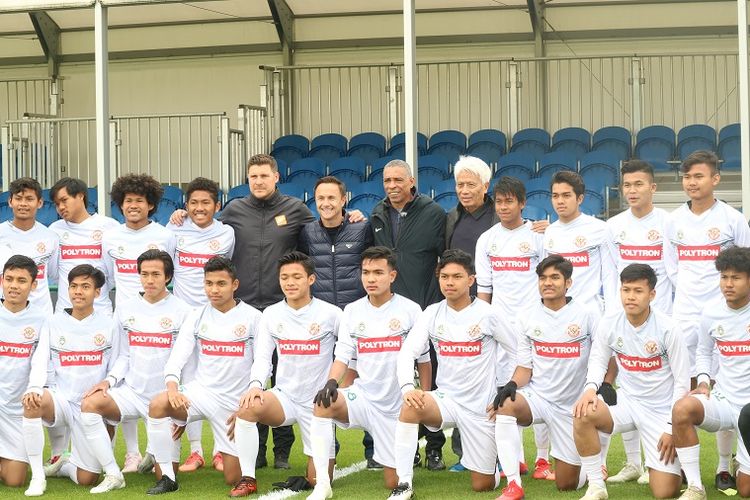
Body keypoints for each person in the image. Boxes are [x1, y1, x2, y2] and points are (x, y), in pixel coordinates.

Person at [388, 249, 517, 500]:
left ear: (471, 280)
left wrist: (506, 386)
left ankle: (494, 469)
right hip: (445, 399)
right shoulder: (432, 313)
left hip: (482, 407)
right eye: (444, 276)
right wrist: (407, 388)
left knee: (483, 485)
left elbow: (515, 352)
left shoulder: (489, 314)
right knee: (410, 407)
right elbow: (406, 353)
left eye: (457, 276)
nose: (449, 282)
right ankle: (404, 484)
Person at [306, 246, 430, 500]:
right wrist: (332, 382)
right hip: (363, 397)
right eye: (366, 272)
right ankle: (322, 485)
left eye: (378, 272)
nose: (371, 279)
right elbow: (343, 356)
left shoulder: (411, 310)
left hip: (397, 406)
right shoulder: (351, 310)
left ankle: (404, 458)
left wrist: (425, 396)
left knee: (392, 482)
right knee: (322, 404)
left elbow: (425, 360)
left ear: (392, 276)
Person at [664, 150, 750, 491]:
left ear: (715, 179)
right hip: (685, 314)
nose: (692, 182)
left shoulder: (732, 219)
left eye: (699, 176)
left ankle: (724, 464)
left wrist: (724, 301)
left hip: (726, 312)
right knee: (688, 385)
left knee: (729, 379)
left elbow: (742, 263)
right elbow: (671, 268)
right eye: (687, 177)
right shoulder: (672, 221)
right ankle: (686, 468)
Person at [77, 250, 193, 493]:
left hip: (164, 399)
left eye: (155, 274)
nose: (149, 280)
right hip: (131, 393)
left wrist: (182, 408)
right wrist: (108, 381)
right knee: (90, 403)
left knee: (164, 476)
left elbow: (186, 362)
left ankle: (154, 450)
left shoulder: (183, 311)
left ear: (168, 277)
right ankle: (112, 472)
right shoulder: (126, 308)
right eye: (144, 274)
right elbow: (123, 355)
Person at [144, 256, 262, 495]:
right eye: (209, 283)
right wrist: (173, 388)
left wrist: (251, 394)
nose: (214, 290)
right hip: (200, 393)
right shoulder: (196, 316)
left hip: (232, 403)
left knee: (233, 477)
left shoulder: (253, 317)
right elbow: (177, 358)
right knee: (158, 404)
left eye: (221, 283)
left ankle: (233, 459)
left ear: (235, 285)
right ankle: (168, 477)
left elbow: (261, 361)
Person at [573, 264, 690, 500]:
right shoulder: (610, 323)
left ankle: (680, 468)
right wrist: (589, 389)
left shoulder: (669, 328)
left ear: (652, 294)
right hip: (627, 405)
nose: (631, 297)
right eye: (626, 290)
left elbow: (682, 382)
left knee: (664, 492)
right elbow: (597, 361)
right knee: (582, 412)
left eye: (638, 291)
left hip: (660, 411)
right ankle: (596, 486)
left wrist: (671, 428)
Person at [229, 252, 342, 497]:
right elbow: (262, 357)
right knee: (248, 407)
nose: (290, 282)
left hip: (318, 403)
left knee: (317, 480)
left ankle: (323, 458)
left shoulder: (331, 313)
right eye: (284, 277)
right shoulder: (271, 313)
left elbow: (347, 353)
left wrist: (343, 386)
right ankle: (248, 478)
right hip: (285, 398)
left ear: (311, 279)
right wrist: (256, 385)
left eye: (296, 277)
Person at [493, 254, 600, 500]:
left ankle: (587, 462)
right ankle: (513, 484)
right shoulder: (526, 316)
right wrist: (511, 384)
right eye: (543, 278)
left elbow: (604, 357)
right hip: (539, 397)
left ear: (568, 283)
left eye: (555, 277)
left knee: (566, 485)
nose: (548, 283)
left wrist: (601, 385)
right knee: (505, 405)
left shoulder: (588, 314)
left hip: (572, 407)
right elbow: (524, 367)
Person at [370, 159, 448, 470]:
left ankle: (434, 448)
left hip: (425, 306)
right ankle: (406, 447)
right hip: (391, 311)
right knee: (397, 381)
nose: (392, 186)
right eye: (387, 180)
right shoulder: (376, 214)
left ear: (411, 181)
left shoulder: (434, 213)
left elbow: (448, 257)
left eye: (398, 180)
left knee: (432, 380)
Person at [474, 175, 551, 479]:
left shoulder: (537, 236)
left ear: (522, 203)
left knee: (542, 390)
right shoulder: (487, 239)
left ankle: (542, 461)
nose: (503, 207)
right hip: (501, 328)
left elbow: (549, 280)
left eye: (509, 201)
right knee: (507, 390)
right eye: (499, 201)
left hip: (535, 324)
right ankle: (515, 459)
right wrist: (484, 321)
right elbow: (485, 286)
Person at [603, 160, 673, 484]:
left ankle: (661, 462)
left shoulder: (669, 224)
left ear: (653, 187)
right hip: (623, 318)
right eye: (627, 185)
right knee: (624, 384)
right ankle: (633, 464)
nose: (632, 191)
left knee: (662, 387)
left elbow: (673, 274)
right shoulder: (613, 226)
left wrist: (670, 316)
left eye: (639, 184)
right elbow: (609, 273)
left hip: (661, 319)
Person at [297, 176, 375, 467]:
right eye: (321, 199)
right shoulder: (306, 232)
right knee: (322, 380)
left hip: (357, 317)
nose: (326, 204)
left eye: (332, 198)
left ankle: (374, 449)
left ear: (344, 200)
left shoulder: (362, 228)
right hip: (321, 320)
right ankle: (329, 445)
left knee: (367, 381)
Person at [102, 172, 177, 472]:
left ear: (151, 205)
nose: (133, 205)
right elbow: (107, 277)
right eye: (127, 200)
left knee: (156, 380)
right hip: (125, 318)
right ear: (120, 205)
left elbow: (170, 274)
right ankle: (131, 453)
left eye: (140, 201)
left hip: (158, 319)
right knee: (126, 380)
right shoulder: (111, 236)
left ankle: (152, 450)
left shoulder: (165, 236)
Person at [22, 264, 119, 492]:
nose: (77, 291)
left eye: (85, 286)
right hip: (61, 400)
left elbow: (118, 363)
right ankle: (38, 477)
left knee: (87, 479)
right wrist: (34, 387)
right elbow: (40, 359)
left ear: (97, 293)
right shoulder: (53, 322)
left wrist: (109, 386)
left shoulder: (109, 324)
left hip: (90, 406)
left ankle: (64, 463)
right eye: (73, 286)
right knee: (33, 401)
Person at [166, 177, 235, 473]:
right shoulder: (174, 230)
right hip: (185, 317)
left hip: (217, 315)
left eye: (206, 202)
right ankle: (196, 452)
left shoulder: (227, 234)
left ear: (217, 206)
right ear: (185, 206)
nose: (199, 207)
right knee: (188, 381)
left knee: (221, 382)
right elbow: (167, 267)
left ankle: (222, 450)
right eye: (193, 202)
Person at [671, 247, 750, 499]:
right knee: (682, 408)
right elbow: (704, 353)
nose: (728, 284)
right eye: (724, 277)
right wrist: (704, 381)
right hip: (725, 401)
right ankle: (695, 486)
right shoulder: (711, 312)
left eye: (736, 278)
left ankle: (738, 464)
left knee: (746, 490)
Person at [0, 256, 48, 495]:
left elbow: (40, 362)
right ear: (1, 281)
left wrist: (34, 388)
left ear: (33, 285)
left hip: (15, 410)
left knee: (14, 480)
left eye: (21, 280)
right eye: (8, 279)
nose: (13, 286)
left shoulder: (42, 320)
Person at [544, 171, 614, 310]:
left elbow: (609, 275)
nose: (560, 201)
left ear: (580, 198)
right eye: (555, 196)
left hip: (590, 312)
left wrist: (611, 315)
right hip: (557, 312)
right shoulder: (549, 231)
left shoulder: (600, 229)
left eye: (566, 195)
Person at [49, 177, 120, 314]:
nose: (61, 207)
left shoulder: (109, 227)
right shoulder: (54, 230)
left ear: (81, 196)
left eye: (64, 200)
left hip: (100, 311)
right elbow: (54, 273)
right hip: (65, 312)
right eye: (57, 204)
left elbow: (113, 272)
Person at [0, 177, 59, 315]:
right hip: (5, 316)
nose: (23, 204)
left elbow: (53, 274)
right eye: (18, 198)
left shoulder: (50, 237)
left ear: (39, 203)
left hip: (41, 315)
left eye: (29, 199)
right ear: (10, 202)